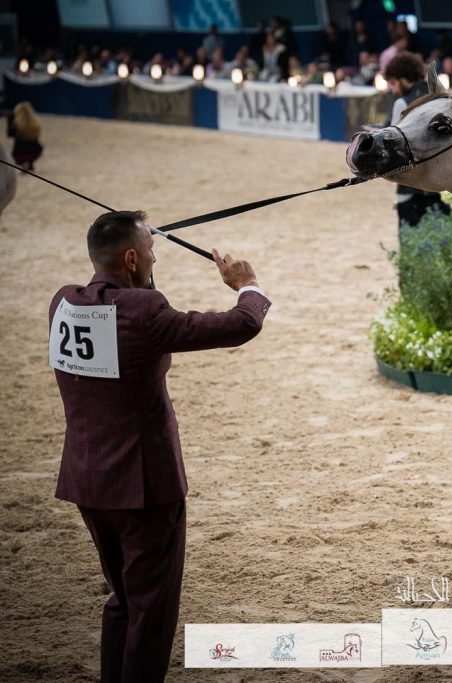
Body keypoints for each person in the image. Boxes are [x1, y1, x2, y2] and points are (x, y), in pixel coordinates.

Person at [50, 210, 270, 682]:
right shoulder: (146, 313)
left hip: (87, 480)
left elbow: (127, 309)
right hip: (145, 486)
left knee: (124, 600)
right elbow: (241, 324)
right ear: (131, 259)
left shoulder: (62, 302)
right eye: (151, 252)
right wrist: (247, 284)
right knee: (151, 612)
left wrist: (138, 251)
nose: (156, 259)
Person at [383, 52, 450, 228]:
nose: (392, 89)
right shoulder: (438, 96)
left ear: (403, 79)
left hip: (411, 189)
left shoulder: (402, 103)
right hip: (440, 186)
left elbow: (392, 144)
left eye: (393, 83)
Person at [7, 101, 43, 170]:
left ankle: (25, 164)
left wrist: (10, 121)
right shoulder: (35, 123)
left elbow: (10, 134)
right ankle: (30, 163)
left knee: (19, 153)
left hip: (20, 153)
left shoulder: (17, 124)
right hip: (35, 152)